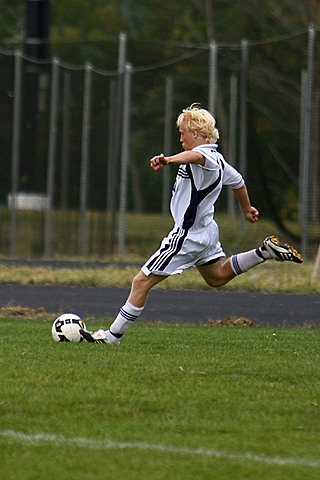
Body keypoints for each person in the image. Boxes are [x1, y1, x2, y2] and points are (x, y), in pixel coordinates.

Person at [80, 103, 303, 344]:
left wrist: (168, 160)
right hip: (207, 232)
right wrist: (246, 209)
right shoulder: (219, 160)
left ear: (196, 133)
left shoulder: (205, 156)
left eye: (183, 133)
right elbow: (238, 182)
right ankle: (263, 252)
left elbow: (195, 156)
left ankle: (112, 337)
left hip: (188, 235)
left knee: (141, 281)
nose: (180, 138)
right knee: (216, 277)